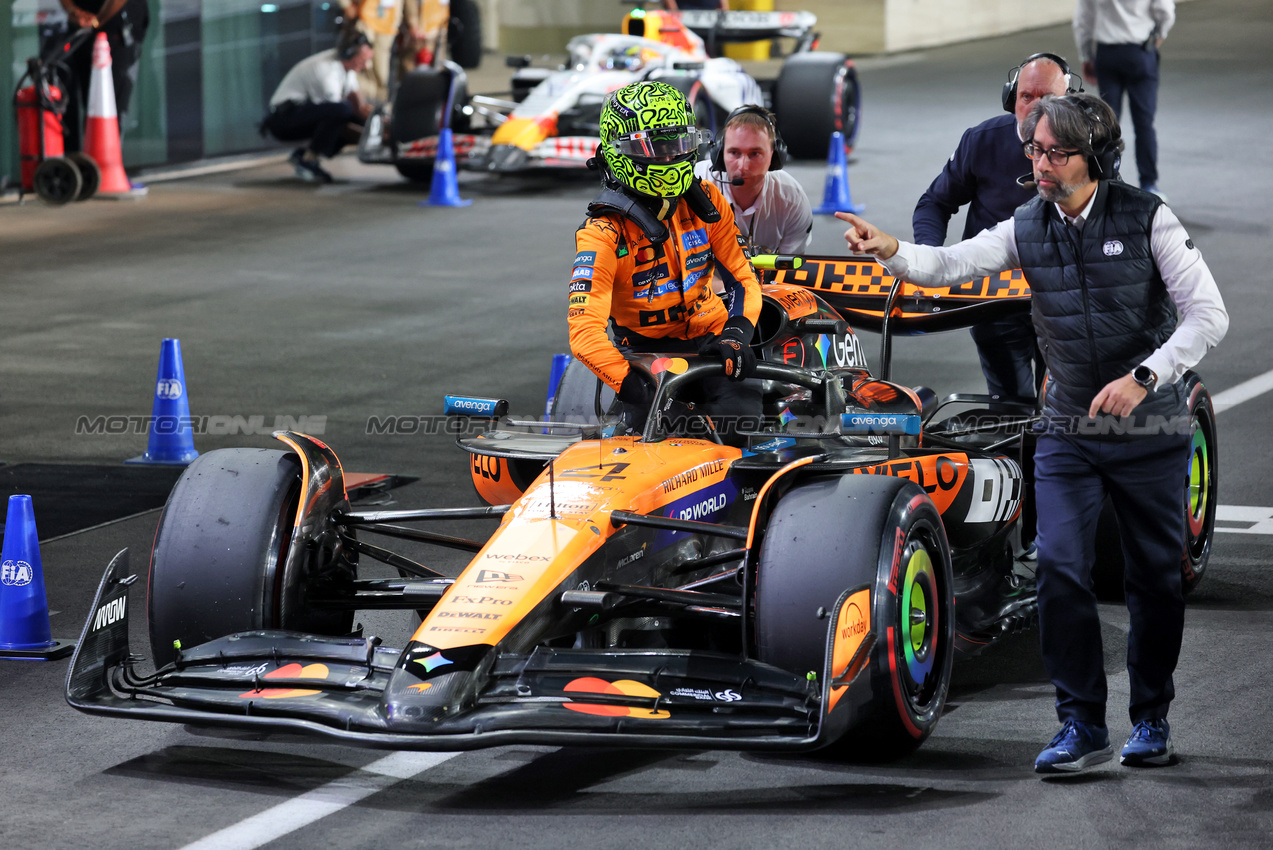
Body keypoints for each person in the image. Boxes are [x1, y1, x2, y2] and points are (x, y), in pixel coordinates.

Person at [838, 93, 1227, 774]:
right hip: (1068, 429)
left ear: (1095, 158)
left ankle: (1150, 719)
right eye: (1034, 150)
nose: (1040, 164)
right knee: (1058, 570)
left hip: (1149, 427)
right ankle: (1080, 724)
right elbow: (949, 266)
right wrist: (891, 250)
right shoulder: (1025, 224)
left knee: (1153, 582)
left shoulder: (1147, 217)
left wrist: (1143, 376)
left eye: (1055, 152)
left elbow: (1208, 315)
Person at [570, 81, 763, 445]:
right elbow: (584, 333)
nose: (671, 157)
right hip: (645, 356)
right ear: (620, 151)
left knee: (739, 428)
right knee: (650, 445)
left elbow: (743, 278)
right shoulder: (602, 233)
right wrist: (630, 385)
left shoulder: (708, 201)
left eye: (679, 145)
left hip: (713, 343)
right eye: (658, 147)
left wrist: (737, 335)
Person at [913, 53, 1073, 400]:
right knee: (1010, 405)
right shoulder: (981, 140)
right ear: (1010, 98)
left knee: (1063, 403)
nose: (1035, 108)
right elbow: (934, 203)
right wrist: (928, 256)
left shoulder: (1085, 149)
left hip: (1062, 298)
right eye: (1026, 96)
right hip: (993, 297)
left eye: (1047, 98)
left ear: (1069, 102)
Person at [1075, 0, 1176, 197]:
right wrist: (1159, 35)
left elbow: (1082, 20)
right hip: (1139, 52)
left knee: (1106, 125)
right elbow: (1165, 11)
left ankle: (1104, 183)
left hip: (1107, 55)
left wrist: (1086, 55)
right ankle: (1149, 184)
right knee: (1144, 124)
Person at [694, 105, 813, 258]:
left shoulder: (792, 199)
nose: (743, 166)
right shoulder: (696, 182)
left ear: (774, 156)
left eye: (755, 154)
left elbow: (790, 266)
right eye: (734, 152)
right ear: (719, 153)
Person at [262, 35, 374, 183]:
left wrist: (380, 123)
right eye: (363, 60)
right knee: (343, 112)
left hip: (303, 112)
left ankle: (302, 154)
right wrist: (369, 138)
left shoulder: (347, 68)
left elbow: (359, 106)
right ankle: (308, 160)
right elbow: (338, 115)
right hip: (283, 119)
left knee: (352, 115)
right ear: (349, 55)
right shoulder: (326, 70)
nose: (366, 66)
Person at [57, 0, 150, 153]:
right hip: (84, 30)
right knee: (91, 106)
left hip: (116, 28)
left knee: (110, 108)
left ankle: (104, 159)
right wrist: (76, 12)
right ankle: (91, 159)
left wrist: (95, 20)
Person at [343, 0, 422, 102]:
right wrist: (346, 5)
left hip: (387, 25)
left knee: (381, 72)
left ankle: (378, 105)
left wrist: (413, 22)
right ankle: (359, 104)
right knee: (360, 66)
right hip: (363, 21)